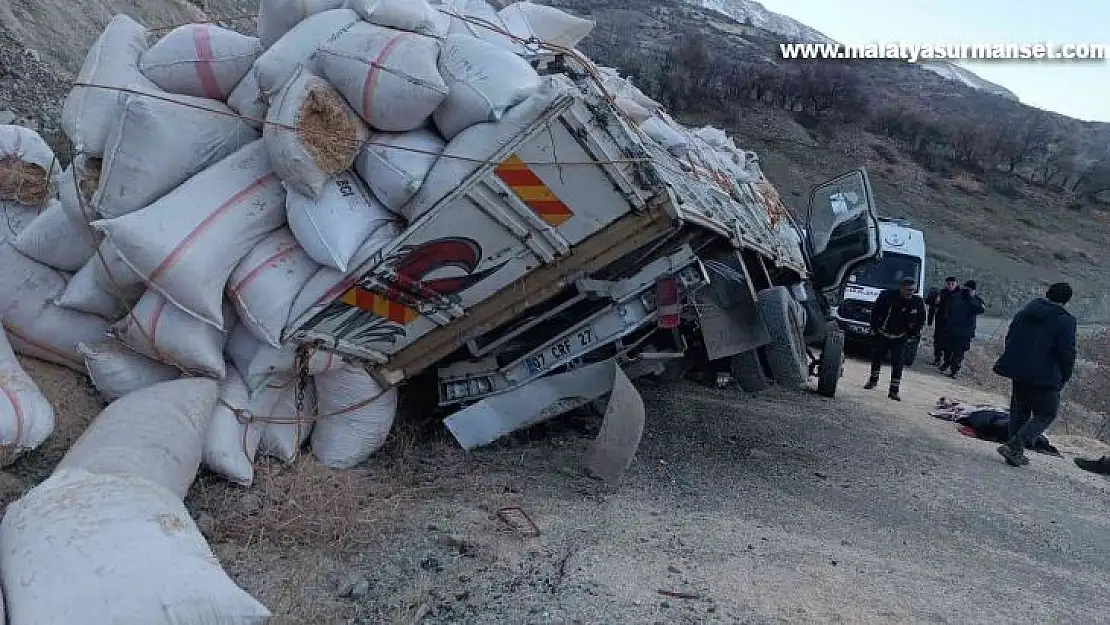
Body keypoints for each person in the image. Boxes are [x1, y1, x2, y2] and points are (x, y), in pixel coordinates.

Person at [992, 282, 1077, 467]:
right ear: (1067, 300)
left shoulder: (1025, 312)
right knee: (1046, 413)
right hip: (1045, 375)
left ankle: (1013, 450)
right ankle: (1016, 444)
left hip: (1019, 370)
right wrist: (1066, 374)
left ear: (1047, 294)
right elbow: (1067, 352)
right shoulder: (1065, 321)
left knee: (1019, 411)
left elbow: (1010, 336)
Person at [864, 277, 927, 401]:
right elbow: (875, 312)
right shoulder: (887, 296)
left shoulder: (917, 301)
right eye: (908, 290)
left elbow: (921, 319)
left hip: (900, 336)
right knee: (877, 357)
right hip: (883, 333)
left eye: (913, 290)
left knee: (898, 362)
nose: (911, 293)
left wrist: (914, 333)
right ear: (902, 288)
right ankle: (873, 380)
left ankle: (894, 391)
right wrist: (874, 328)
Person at [939, 280, 986, 378]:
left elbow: (980, 310)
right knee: (949, 349)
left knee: (958, 352)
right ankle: (948, 365)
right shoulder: (956, 297)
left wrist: (972, 297)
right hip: (954, 329)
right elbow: (948, 310)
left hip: (963, 331)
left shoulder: (975, 300)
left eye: (969, 289)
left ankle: (954, 370)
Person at [926, 277, 960, 367]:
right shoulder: (941, 293)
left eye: (953, 284)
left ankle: (947, 361)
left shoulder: (960, 294)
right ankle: (937, 358)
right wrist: (930, 320)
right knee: (937, 340)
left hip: (953, 323)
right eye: (949, 284)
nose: (950, 286)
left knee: (949, 343)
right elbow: (932, 306)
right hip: (940, 320)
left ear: (956, 284)